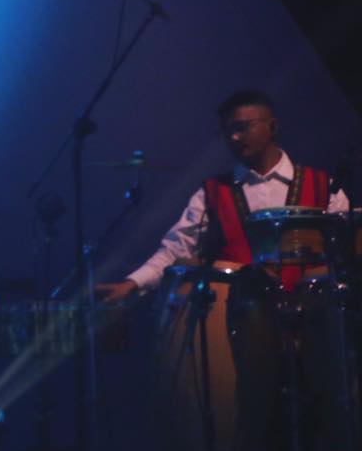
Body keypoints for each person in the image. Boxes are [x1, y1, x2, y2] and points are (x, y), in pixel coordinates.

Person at [97, 89, 348, 303]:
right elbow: (176, 249)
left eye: (242, 128)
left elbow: (348, 250)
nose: (233, 138)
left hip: (315, 320)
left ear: (272, 126)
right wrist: (133, 282)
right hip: (242, 323)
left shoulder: (324, 186)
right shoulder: (212, 192)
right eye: (227, 132)